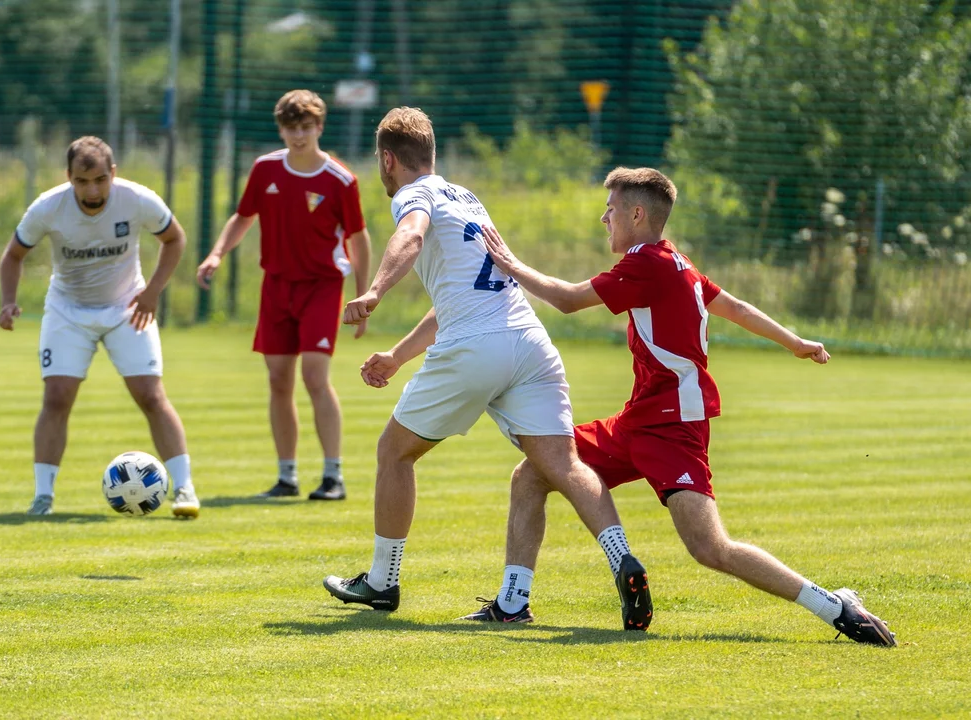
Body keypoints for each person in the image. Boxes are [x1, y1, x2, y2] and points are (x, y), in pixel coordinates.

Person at [477, 166, 896, 645]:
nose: (603, 218)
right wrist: (793, 341)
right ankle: (513, 602)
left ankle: (835, 604)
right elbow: (735, 307)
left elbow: (569, 300)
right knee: (532, 473)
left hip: (674, 426)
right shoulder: (677, 262)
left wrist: (510, 263)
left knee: (710, 548)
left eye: (610, 209)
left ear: (637, 214)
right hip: (639, 419)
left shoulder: (647, 263)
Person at [321, 107, 653, 630]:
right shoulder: (468, 198)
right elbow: (458, 297)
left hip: (476, 348)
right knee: (560, 466)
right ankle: (617, 561)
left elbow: (408, 236)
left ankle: (383, 582)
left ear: (388, 159)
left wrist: (375, 290)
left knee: (394, 452)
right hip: (529, 342)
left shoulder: (415, 197)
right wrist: (397, 357)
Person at [0, 136, 199, 519]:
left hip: (128, 307)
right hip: (68, 311)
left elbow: (174, 239)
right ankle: (43, 497)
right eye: (81, 181)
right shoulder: (48, 207)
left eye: (100, 180)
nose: (92, 190)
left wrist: (153, 292)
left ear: (113, 174)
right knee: (56, 397)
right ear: (69, 178)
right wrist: (8, 300)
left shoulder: (137, 199)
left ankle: (185, 489)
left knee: (151, 395)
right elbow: (13, 255)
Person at [196, 89, 371, 501]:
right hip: (276, 287)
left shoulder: (341, 180)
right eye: (291, 128)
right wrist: (216, 254)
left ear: (319, 127)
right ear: (281, 128)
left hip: (322, 287)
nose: (298, 136)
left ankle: (333, 477)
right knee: (278, 379)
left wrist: (365, 296)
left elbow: (359, 239)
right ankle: (286, 476)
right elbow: (243, 217)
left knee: (314, 376)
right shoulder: (265, 170)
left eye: (306, 127)